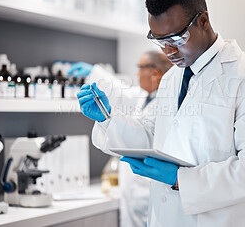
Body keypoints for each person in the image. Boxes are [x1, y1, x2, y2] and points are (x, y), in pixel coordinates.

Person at [77, 0, 245, 227]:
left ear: (203, 21)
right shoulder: (172, 79)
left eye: (176, 39)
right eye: (160, 41)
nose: (169, 52)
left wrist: (182, 180)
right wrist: (108, 120)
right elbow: (152, 133)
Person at [70, 51, 172, 227]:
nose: (137, 73)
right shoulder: (143, 97)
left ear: (155, 72)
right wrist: (94, 72)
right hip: (133, 191)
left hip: (152, 189)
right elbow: (120, 91)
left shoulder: (168, 103)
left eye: (140, 68)